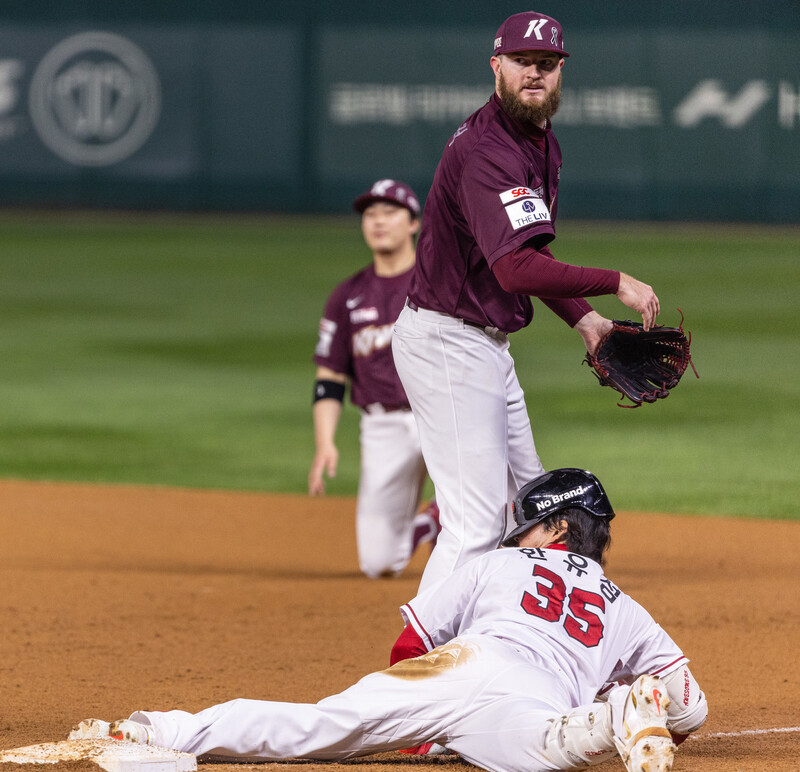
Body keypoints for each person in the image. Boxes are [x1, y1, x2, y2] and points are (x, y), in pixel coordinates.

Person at [68, 469, 707, 772]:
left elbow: (414, 641)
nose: (520, 537)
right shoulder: (626, 608)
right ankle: (611, 718)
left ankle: (161, 735)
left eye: (530, 526)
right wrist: (637, 697)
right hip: (541, 699)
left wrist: (419, 723)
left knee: (316, 726)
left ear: (559, 527)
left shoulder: (497, 564)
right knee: (545, 751)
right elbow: (690, 709)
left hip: (464, 665)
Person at [391, 11, 662, 591]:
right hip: (447, 341)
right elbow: (514, 270)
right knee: (474, 523)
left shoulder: (538, 143)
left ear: (560, 72)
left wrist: (584, 319)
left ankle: (504, 642)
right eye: (521, 63)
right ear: (497, 67)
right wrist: (614, 281)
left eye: (546, 64)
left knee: (532, 507)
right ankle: (415, 659)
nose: (534, 74)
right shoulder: (491, 150)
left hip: (480, 343)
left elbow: (527, 253)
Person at [309, 179, 440, 579]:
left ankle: (460, 512)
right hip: (383, 423)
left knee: (487, 501)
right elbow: (330, 377)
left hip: (441, 412)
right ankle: (432, 519)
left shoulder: (440, 280)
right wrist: (325, 442)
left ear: (414, 223)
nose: (378, 221)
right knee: (379, 563)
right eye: (370, 214)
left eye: (389, 212)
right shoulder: (348, 295)